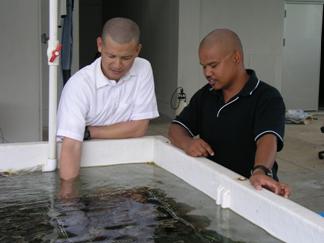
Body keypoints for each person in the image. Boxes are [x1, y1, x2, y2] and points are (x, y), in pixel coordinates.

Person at [168, 29, 290, 197]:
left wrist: (260, 171)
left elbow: (267, 139)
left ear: (236, 58)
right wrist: (187, 143)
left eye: (213, 65)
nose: (207, 73)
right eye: (204, 67)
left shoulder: (267, 97)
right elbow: (176, 128)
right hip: (213, 186)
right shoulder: (206, 95)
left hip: (250, 187)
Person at [57, 17, 159, 197]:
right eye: (111, 56)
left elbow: (139, 128)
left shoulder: (143, 69)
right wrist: (68, 197)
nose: (117, 65)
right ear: (100, 45)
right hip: (87, 164)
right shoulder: (78, 86)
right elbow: (71, 145)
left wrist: (89, 132)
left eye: (126, 58)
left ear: (137, 50)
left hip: (125, 161)